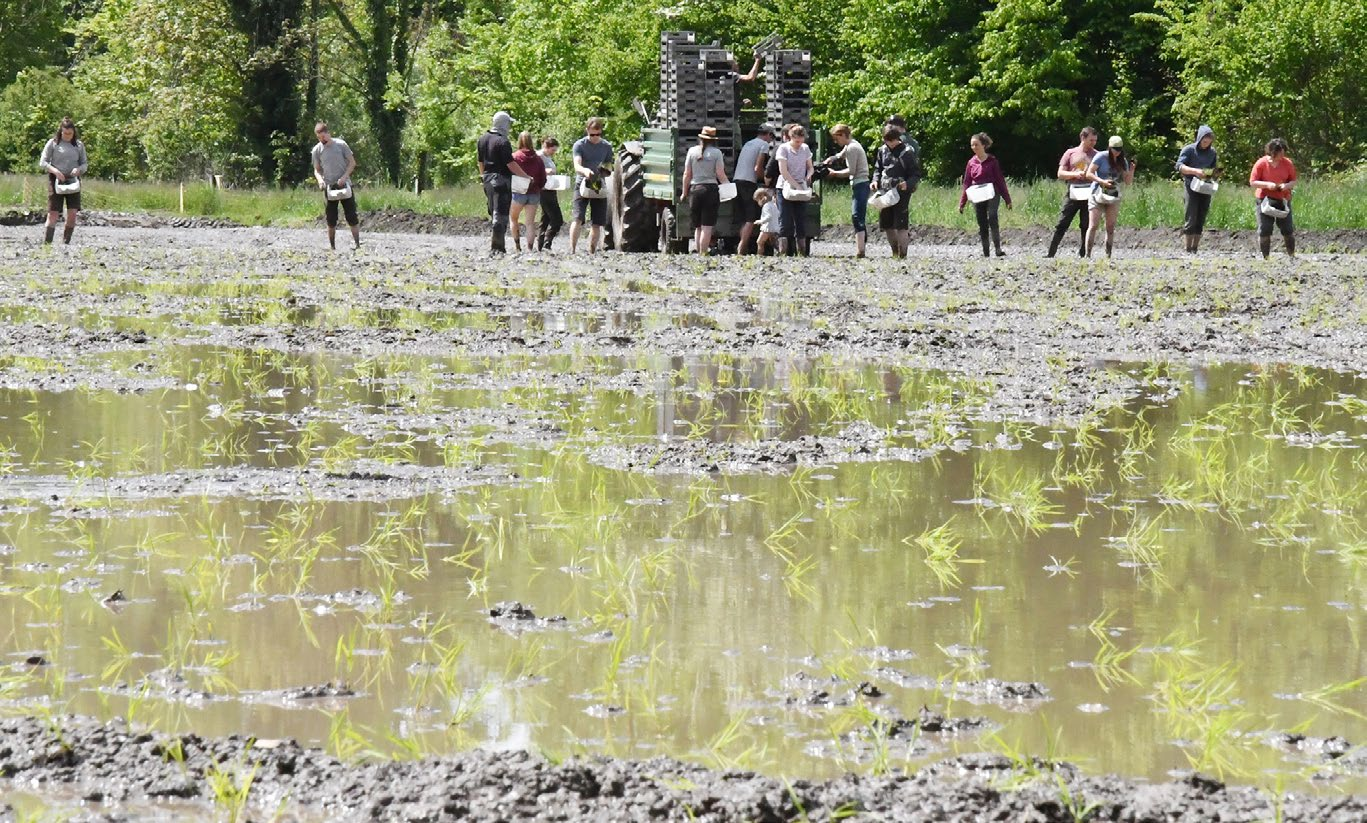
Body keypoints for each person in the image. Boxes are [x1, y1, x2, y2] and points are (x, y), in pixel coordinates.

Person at [477, 111, 530, 255]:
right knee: (500, 214)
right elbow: (510, 164)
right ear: (504, 124)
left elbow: (480, 162)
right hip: (500, 180)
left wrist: (483, 177)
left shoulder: (482, 139)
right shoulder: (503, 141)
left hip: (487, 178)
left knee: (493, 211)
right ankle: (497, 247)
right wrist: (526, 176)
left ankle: (497, 245)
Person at [957, 132, 1012, 257]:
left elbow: (1000, 180)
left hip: (992, 192)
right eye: (972, 145)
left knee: (992, 217)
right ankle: (985, 251)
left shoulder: (992, 161)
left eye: (976, 145)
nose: (974, 148)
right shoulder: (971, 163)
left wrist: (1007, 199)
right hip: (977, 194)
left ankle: (998, 249)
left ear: (983, 145)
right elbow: (966, 183)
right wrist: (962, 203)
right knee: (981, 222)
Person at [1046, 127, 1098, 258]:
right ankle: (1051, 253)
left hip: (1090, 193)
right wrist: (1074, 174)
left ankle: (1084, 253)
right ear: (1083, 138)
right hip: (1073, 192)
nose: (1093, 143)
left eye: (1095, 140)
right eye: (1091, 140)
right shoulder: (1070, 153)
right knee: (1062, 222)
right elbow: (1060, 173)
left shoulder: (1097, 155)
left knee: (1086, 224)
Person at [1084, 135, 1136, 258]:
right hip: (1097, 192)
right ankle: (1088, 254)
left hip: (1113, 194)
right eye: (1114, 149)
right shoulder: (1101, 157)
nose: (1117, 152)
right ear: (1109, 147)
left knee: (1110, 226)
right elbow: (1089, 174)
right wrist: (1102, 181)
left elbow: (1127, 182)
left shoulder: (1123, 161)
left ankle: (1108, 255)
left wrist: (1132, 170)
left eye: (1119, 149)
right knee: (1093, 224)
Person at [38, 117, 87, 246]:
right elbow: (43, 162)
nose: (67, 136)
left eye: (70, 134)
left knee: (72, 213)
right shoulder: (52, 143)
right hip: (56, 180)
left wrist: (78, 169)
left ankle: (66, 242)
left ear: (73, 132)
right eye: (65, 133)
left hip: (73, 180)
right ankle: (47, 244)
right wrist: (55, 171)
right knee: (53, 213)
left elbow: (84, 164)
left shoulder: (79, 145)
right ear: (60, 131)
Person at [311, 122, 360, 250]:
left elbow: (352, 163)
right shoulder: (317, 150)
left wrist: (344, 177)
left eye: (323, 137)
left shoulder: (341, 145)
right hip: (329, 187)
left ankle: (357, 244)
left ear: (328, 133)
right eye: (319, 138)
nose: (322, 140)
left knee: (351, 215)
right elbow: (317, 169)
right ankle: (332, 247)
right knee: (331, 218)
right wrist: (320, 180)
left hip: (344, 184)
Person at [681, 126, 729, 255]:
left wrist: (684, 192)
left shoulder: (691, 151)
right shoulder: (716, 153)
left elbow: (687, 174)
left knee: (697, 227)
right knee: (707, 226)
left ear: (700, 138)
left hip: (695, 190)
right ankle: (703, 253)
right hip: (711, 190)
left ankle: (697, 253)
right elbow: (720, 174)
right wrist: (728, 186)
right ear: (713, 140)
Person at [569, 117, 614, 254]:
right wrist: (585, 171)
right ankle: (572, 250)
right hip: (582, 183)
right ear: (587, 131)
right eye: (592, 135)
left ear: (601, 132)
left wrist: (606, 171)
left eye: (598, 134)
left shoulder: (606, 146)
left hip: (599, 185)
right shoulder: (579, 145)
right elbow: (577, 165)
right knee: (578, 218)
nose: (595, 137)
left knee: (597, 222)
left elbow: (609, 165)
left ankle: (592, 251)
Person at [826, 124, 871, 257]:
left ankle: (860, 250)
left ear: (842, 135)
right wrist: (832, 159)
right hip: (859, 184)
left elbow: (851, 171)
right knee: (858, 215)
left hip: (860, 184)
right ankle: (861, 246)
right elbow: (840, 155)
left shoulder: (852, 148)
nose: (836, 142)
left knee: (857, 216)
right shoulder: (851, 144)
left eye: (837, 138)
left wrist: (834, 173)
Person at [1249, 137, 1297, 258]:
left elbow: (1293, 181)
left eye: (1283, 152)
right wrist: (1267, 185)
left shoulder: (1287, 163)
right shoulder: (1261, 163)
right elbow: (1253, 182)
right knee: (1265, 228)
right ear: (1272, 152)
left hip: (1283, 198)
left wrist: (1285, 186)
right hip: (1264, 199)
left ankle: (1291, 255)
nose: (1282, 155)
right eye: (1279, 152)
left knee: (1287, 229)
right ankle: (1266, 257)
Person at [734, 123, 777, 254]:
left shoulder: (748, 143)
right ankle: (742, 247)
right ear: (768, 134)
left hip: (737, 181)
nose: (771, 140)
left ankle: (740, 245)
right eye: (772, 136)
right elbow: (758, 168)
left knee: (743, 217)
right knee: (750, 218)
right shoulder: (763, 145)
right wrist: (765, 181)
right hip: (748, 183)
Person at [872, 125, 914, 258]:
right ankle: (894, 252)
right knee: (887, 224)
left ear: (898, 139)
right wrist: (875, 181)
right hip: (885, 191)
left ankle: (903, 253)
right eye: (887, 141)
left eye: (892, 141)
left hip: (901, 191)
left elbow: (915, 174)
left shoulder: (907, 152)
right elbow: (878, 169)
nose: (890, 144)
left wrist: (907, 184)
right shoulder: (882, 150)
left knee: (901, 223)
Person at [1176, 124, 1219, 254]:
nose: (1206, 142)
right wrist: (1195, 171)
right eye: (1205, 139)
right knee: (1191, 215)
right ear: (1199, 138)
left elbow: (1213, 168)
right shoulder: (1189, 150)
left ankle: (1195, 248)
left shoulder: (1212, 153)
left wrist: (1214, 173)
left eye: (1209, 139)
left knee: (1201, 216)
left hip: (1206, 186)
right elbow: (1179, 166)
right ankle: (1187, 248)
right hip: (1191, 185)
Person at [775, 123, 814, 257]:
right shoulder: (783, 149)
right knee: (785, 220)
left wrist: (808, 175)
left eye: (801, 141)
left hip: (801, 187)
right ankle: (783, 251)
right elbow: (783, 171)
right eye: (797, 141)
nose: (799, 143)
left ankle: (801, 251)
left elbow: (810, 166)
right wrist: (795, 185)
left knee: (801, 219)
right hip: (785, 187)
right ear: (791, 137)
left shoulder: (805, 148)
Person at [509, 132, 546, 253]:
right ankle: (530, 248)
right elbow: (543, 178)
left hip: (518, 192)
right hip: (534, 193)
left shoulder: (514, 157)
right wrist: (538, 187)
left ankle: (517, 246)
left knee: (513, 218)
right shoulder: (538, 159)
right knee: (530, 223)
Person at [536, 137, 563, 251]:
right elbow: (535, 169)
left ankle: (540, 243)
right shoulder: (539, 156)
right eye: (552, 150)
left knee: (545, 218)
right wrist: (546, 171)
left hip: (551, 188)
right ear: (546, 147)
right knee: (557, 219)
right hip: (544, 190)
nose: (553, 153)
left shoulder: (547, 157)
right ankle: (547, 240)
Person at [754, 188, 780, 255]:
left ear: (761, 197)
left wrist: (760, 221)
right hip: (774, 227)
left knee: (759, 242)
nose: (758, 203)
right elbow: (778, 213)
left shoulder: (766, 206)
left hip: (767, 228)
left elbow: (768, 216)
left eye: (757, 200)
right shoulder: (773, 204)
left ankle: (759, 255)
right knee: (774, 243)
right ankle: (781, 252)